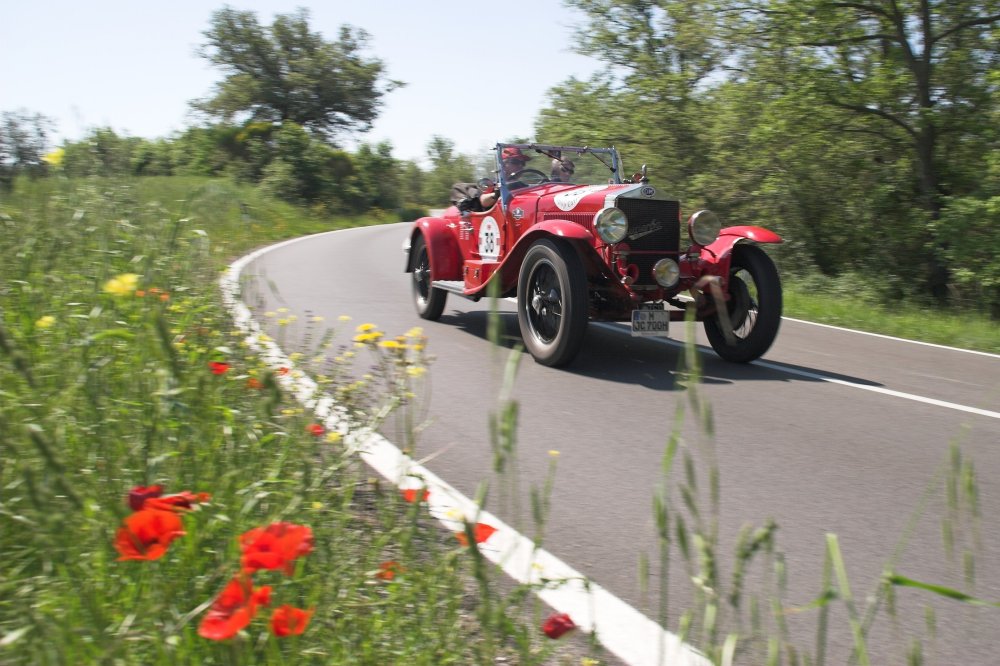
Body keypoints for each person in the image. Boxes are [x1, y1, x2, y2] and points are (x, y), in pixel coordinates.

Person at [452, 147, 533, 212]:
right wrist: (496, 194)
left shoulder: (522, 186)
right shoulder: (491, 184)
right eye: (515, 162)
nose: (521, 166)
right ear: (504, 164)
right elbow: (483, 201)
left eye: (523, 163)